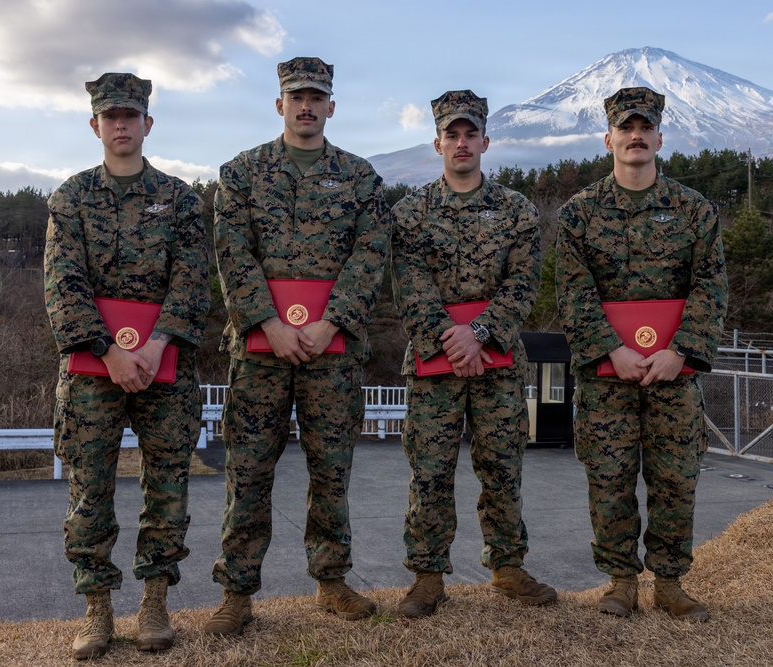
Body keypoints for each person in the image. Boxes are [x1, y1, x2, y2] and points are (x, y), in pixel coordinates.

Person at [203, 57, 390, 636]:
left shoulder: (361, 178)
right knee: (249, 470)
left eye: (316, 97)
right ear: (279, 103)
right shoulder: (242, 173)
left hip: (332, 351)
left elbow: (370, 254)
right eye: (296, 96)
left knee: (331, 469)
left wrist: (332, 323)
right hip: (261, 350)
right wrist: (269, 323)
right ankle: (237, 591)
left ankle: (331, 581)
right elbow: (232, 251)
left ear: (332, 106)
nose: (306, 105)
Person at [44, 72, 210, 659]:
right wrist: (110, 351)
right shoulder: (71, 198)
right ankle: (97, 608)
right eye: (110, 116)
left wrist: (156, 344)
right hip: (94, 368)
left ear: (147, 124)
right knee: (89, 490)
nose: (121, 125)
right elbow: (63, 283)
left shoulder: (179, 198)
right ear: (95, 125)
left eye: (130, 115)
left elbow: (191, 279)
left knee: (168, 486)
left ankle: (155, 603)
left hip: (165, 366)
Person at [555, 86, 728, 621]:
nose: (636, 136)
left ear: (660, 137)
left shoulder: (694, 210)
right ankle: (621, 580)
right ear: (608, 138)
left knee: (676, 478)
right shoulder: (579, 213)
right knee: (609, 478)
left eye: (645, 127)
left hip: (674, 373)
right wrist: (611, 351)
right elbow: (573, 292)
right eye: (625, 128)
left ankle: (670, 583)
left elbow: (711, 287)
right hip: (608, 376)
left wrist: (681, 350)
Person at [390, 90, 555, 618]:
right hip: (434, 363)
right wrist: (453, 338)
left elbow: (524, 282)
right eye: (452, 134)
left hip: (496, 361)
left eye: (470, 134)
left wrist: (479, 333)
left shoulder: (516, 210)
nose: (461, 143)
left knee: (503, 468)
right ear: (437, 143)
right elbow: (409, 287)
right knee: (430, 471)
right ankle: (427, 577)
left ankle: (507, 567)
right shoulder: (410, 213)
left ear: (485, 141)